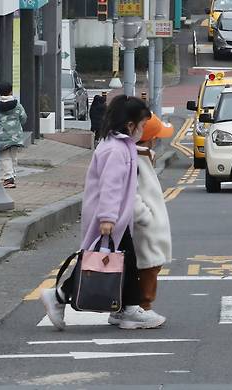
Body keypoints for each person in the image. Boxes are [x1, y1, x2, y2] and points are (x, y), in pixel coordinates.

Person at [40, 95, 165, 330]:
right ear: (130, 126)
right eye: (141, 125)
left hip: (116, 218)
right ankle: (59, 297)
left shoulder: (118, 146)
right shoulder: (115, 150)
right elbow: (110, 185)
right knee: (99, 261)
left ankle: (126, 309)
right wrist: (107, 218)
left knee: (113, 261)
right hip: (109, 218)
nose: (142, 130)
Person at [112, 114, 173, 326]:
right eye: (155, 136)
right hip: (144, 226)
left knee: (141, 265)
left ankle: (123, 308)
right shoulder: (134, 160)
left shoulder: (140, 155)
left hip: (145, 224)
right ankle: (141, 308)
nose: (157, 140)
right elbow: (132, 194)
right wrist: (145, 216)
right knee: (149, 266)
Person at [0, 82, 27, 189]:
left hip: (1, 137)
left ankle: (8, 178)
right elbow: (23, 118)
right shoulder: (17, 104)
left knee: (4, 157)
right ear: (10, 91)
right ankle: (12, 175)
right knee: (13, 157)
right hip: (16, 136)